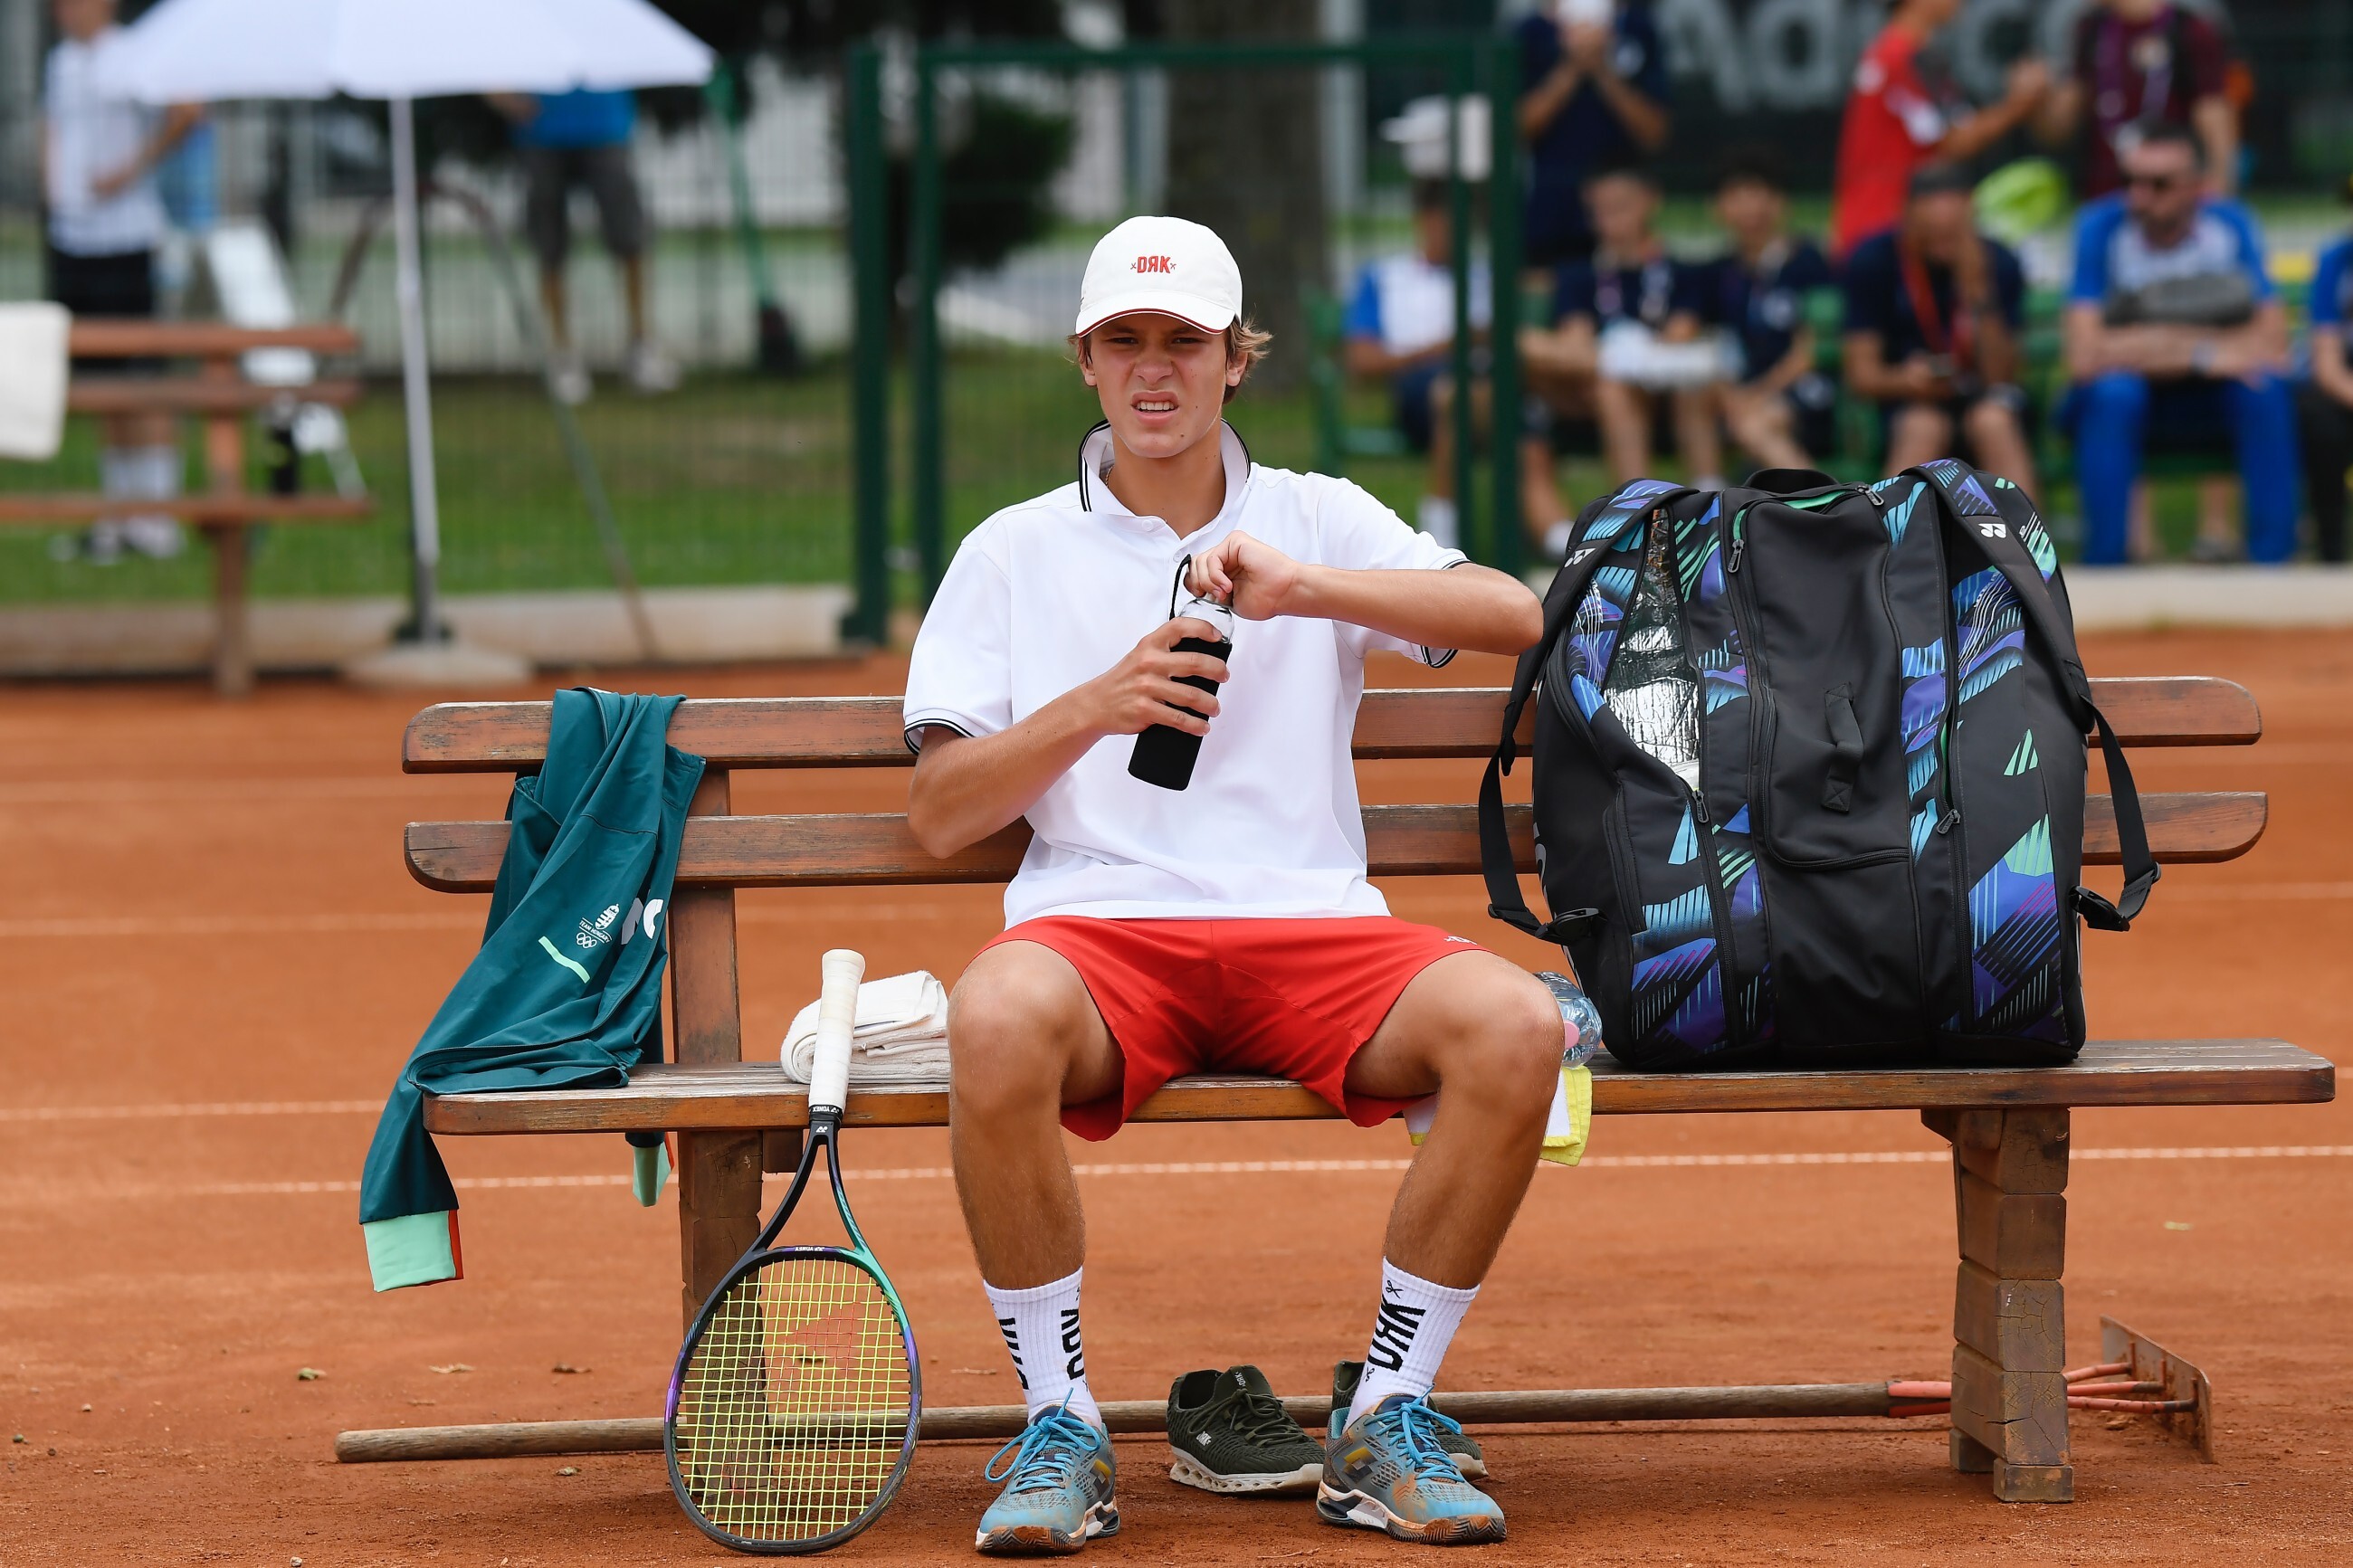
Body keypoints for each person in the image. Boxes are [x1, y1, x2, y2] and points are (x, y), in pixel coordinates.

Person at [903, 214, 1560, 1553]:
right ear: (1085, 359)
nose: (1154, 370)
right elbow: (940, 812)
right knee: (993, 1015)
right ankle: (1059, 1422)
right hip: (1098, 934)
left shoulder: (1312, 512)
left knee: (1517, 1022)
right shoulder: (1012, 548)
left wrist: (1305, 585)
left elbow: (1515, 614)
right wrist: (1097, 703)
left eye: (1185, 342)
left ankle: (1386, 1412)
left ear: (1235, 359)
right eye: (1125, 341)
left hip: (1312, 930)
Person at [2060, 122, 2293, 565]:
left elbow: (2272, 342)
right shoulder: (2100, 227)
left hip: (2208, 403)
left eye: (2159, 184)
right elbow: (2085, 355)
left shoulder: (2230, 225)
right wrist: (2206, 351)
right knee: (2113, 393)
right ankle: (2107, 567)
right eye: (2130, 181)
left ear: (2197, 187)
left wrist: (2138, 341)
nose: (2139, 196)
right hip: (2133, 402)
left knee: (2263, 387)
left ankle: (2272, 565)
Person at [40, 0, 202, 563]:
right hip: (73, 238)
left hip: (125, 240)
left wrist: (129, 170)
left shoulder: (133, 54)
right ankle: (119, 512)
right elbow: (51, 127)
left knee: (143, 377)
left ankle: (157, 513)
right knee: (101, 382)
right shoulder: (60, 63)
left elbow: (187, 111)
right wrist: (52, 189)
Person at [1341, 176, 1567, 554]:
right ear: (1424, 220)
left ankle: (1442, 529)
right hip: (1420, 390)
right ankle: (1552, 533)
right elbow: (1362, 361)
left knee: (1482, 398)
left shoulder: (1486, 279)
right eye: (1446, 222)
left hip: (1484, 383)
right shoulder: (1385, 278)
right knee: (1478, 402)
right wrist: (1444, 347)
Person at [1525, 161, 1724, 491]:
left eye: (1621, 206)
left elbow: (1681, 333)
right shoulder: (1579, 275)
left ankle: (1705, 493)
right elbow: (1575, 341)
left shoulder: (1682, 272)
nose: (1610, 219)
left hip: (1669, 393)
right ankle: (1641, 505)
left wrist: (1632, 357)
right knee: (1605, 383)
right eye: (1600, 210)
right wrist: (1618, 357)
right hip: (1592, 392)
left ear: (1650, 201)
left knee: (1678, 380)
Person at [1840, 163, 2037, 489]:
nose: (1943, 245)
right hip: (1909, 401)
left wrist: (1980, 295)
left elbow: (2002, 376)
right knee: (1924, 424)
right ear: (1906, 218)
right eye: (1930, 233)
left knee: (1993, 421)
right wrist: (1905, 380)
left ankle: (2024, 523)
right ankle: (1891, 521)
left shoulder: (1997, 261)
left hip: (1983, 396)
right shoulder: (1875, 260)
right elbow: (1861, 374)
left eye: (1953, 233)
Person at [490, 88, 677, 404]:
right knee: (550, 252)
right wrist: (500, 96)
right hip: (540, 132)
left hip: (607, 124)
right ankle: (562, 355)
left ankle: (642, 345)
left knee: (631, 241)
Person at [1831, 0, 2049, 256]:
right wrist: (2020, 104)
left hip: (1879, 229)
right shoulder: (1902, 56)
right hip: (1889, 234)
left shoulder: (1895, 51)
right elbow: (1956, 140)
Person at [1705, 150, 1838, 473]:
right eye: (1737, 198)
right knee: (1700, 401)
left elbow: (1809, 351)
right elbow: (1712, 344)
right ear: (1718, 208)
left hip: (1801, 389)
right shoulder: (1720, 272)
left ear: (1781, 204)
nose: (1749, 209)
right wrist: (1731, 395)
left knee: (1754, 426)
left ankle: (1831, 501)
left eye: (1758, 196)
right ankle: (1705, 493)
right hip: (1743, 393)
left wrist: (1757, 394)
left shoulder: (1806, 262)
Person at [1513, 0, 1671, 269]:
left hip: (1623, 217)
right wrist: (1572, 66)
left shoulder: (1637, 28)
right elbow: (1515, 129)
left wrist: (1601, 67)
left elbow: (1655, 132)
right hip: (1549, 215)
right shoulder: (1529, 32)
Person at [2036, 0, 2235, 200]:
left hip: (2168, 196)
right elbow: (2058, 128)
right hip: (2104, 191)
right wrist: (2039, 93)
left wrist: (2221, 175)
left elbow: (2212, 107)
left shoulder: (2188, 27)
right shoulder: (2091, 28)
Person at [2298, 186, 2353, 565]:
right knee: (2321, 420)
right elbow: (2326, 362)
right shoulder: (2336, 261)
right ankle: (2330, 549)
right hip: (2345, 382)